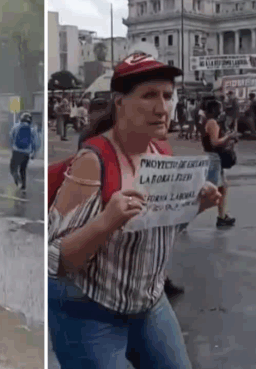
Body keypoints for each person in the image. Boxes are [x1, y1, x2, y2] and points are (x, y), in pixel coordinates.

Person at [48, 54, 222, 368]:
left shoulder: (162, 151)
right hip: (89, 310)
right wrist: (105, 223)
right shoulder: (93, 162)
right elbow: (55, 260)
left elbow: (159, 228)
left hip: (150, 302)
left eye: (168, 96)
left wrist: (196, 207)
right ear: (120, 102)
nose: (162, 107)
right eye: (149, 95)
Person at [203, 99, 238, 228]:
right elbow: (215, 142)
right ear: (214, 109)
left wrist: (229, 139)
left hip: (215, 158)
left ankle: (222, 216)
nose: (222, 110)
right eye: (220, 108)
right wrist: (228, 137)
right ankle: (183, 219)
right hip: (213, 159)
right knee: (209, 192)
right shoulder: (212, 122)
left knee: (223, 188)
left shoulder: (213, 122)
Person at [9, 112, 40, 192]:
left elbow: (11, 136)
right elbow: (35, 143)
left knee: (13, 168)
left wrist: (12, 146)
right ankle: (23, 186)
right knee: (23, 169)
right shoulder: (32, 129)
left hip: (16, 151)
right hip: (26, 153)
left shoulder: (16, 126)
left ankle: (17, 180)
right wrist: (34, 153)